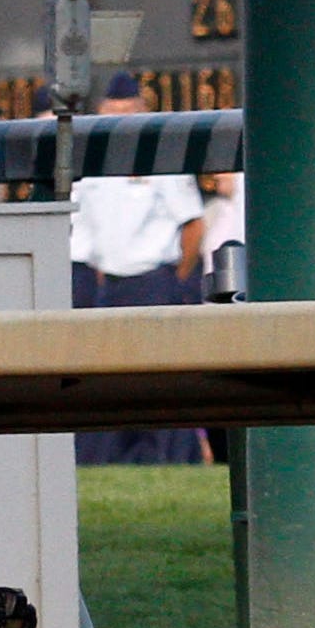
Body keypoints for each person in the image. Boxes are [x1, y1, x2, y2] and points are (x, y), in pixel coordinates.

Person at [67, 73, 207, 465]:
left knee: (161, 380)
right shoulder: (93, 163)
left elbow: (193, 224)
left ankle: (172, 459)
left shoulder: (162, 156)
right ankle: (117, 460)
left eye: (128, 113)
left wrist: (176, 281)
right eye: (113, 115)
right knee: (113, 383)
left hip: (153, 280)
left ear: (143, 111)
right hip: (109, 284)